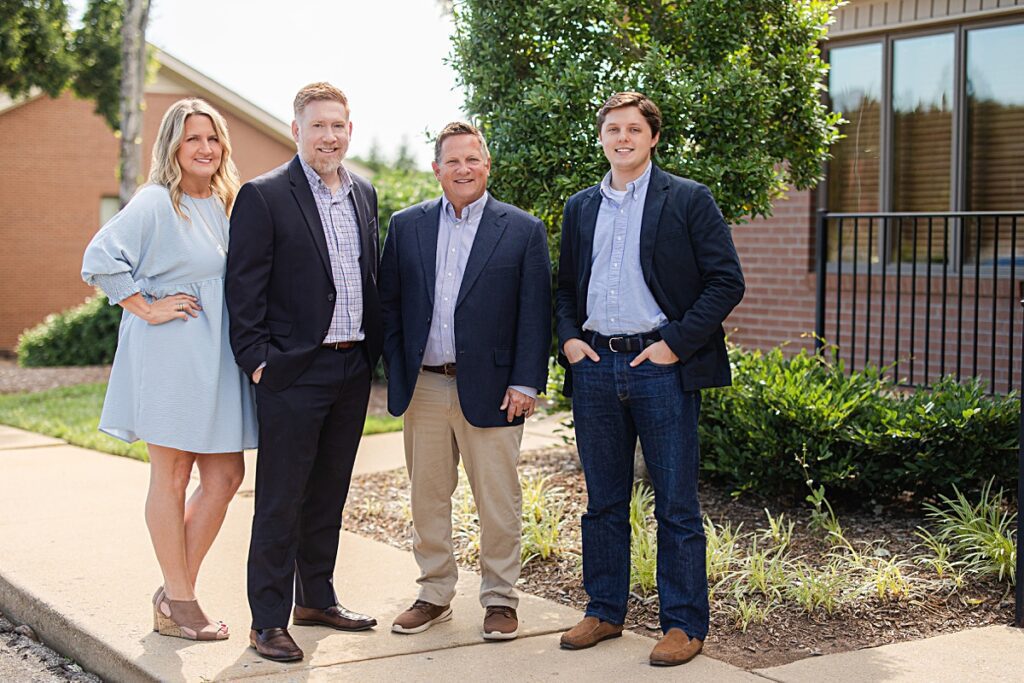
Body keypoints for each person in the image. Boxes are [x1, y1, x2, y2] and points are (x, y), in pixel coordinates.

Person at [554, 92, 745, 666]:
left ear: (652, 137)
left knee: (676, 505)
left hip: (659, 368)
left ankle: (684, 624)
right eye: (613, 128)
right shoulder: (580, 206)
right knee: (603, 502)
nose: (623, 138)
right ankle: (604, 610)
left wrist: (674, 346)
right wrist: (569, 340)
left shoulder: (687, 198)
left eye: (634, 129)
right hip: (594, 368)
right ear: (601, 137)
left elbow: (725, 282)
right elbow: (565, 287)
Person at [81, 98, 257, 642]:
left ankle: (172, 593)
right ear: (173, 148)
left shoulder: (227, 202)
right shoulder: (157, 201)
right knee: (175, 474)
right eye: (191, 139)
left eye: (212, 138)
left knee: (226, 476)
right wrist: (146, 306)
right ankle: (181, 602)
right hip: (172, 352)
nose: (204, 148)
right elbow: (99, 257)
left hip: (218, 356)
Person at [225, 82, 382, 662]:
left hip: (351, 367)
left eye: (338, 125)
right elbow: (243, 289)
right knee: (280, 498)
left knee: (328, 494)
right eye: (318, 125)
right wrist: (258, 361)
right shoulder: (264, 196)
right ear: (296, 130)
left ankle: (315, 598)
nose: (330, 136)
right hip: (293, 372)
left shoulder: (363, 193)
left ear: (349, 129)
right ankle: (266, 619)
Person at [380, 121, 551, 641]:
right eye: (452, 161)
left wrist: (526, 382)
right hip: (426, 386)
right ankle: (434, 593)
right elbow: (389, 305)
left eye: (472, 159)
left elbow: (535, 314)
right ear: (436, 170)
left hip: (496, 389)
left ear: (487, 165)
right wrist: (399, 370)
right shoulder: (406, 226)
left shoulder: (522, 229)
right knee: (427, 497)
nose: (463, 169)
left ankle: (500, 599)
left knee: (498, 500)